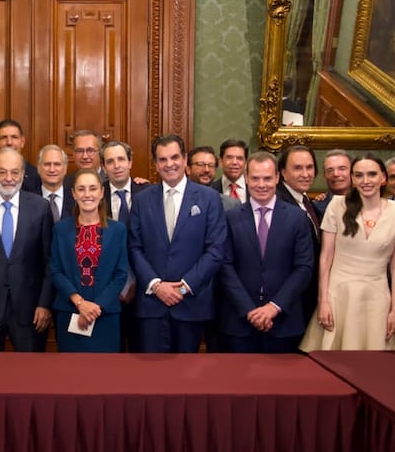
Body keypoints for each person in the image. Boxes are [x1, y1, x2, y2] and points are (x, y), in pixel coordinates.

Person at [300, 155, 395, 351]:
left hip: (377, 295)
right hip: (338, 294)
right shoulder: (337, 205)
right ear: (352, 178)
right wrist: (323, 300)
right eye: (359, 175)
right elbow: (326, 257)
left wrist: (394, 310)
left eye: (372, 174)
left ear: (383, 178)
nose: (366, 181)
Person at [128, 134, 226, 353]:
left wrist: (183, 287)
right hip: (152, 304)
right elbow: (134, 247)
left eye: (174, 157)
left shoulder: (209, 198)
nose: (169, 164)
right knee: (151, 378)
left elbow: (216, 250)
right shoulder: (142, 200)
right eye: (162, 159)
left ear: (184, 159)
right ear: (155, 164)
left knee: (186, 379)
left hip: (191, 304)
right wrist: (156, 285)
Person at [218, 152, 314, 353]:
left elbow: (304, 268)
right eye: (255, 178)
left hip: (284, 321)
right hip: (240, 321)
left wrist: (274, 307)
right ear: (246, 178)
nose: (261, 184)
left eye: (267, 178)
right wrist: (249, 310)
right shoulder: (230, 217)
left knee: (281, 383)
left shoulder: (297, 218)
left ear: (277, 178)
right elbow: (225, 266)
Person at [0, 147, 54, 352]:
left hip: (30, 311)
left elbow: (49, 261)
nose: (8, 178)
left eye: (15, 172)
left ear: (23, 174)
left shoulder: (40, 207)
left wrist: (44, 304)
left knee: (30, 376)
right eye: (2, 171)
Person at [50, 169, 128, 352]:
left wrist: (96, 307)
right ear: (74, 193)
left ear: (101, 192)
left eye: (92, 189)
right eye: (81, 189)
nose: (87, 194)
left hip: (105, 314)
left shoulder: (118, 230)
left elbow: (121, 274)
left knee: (105, 374)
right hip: (70, 312)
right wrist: (80, 303)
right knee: (71, 373)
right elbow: (55, 270)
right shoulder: (61, 229)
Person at [101, 140, 150, 351]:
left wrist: (140, 281)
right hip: (107, 288)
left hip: (145, 287)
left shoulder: (149, 193)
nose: (117, 165)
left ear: (130, 162)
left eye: (121, 159)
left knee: (143, 352)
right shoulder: (95, 195)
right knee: (112, 353)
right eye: (110, 161)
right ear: (103, 167)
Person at [275, 145, 323, 325]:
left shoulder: (306, 200)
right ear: (283, 173)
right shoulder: (279, 203)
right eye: (297, 168)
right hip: (288, 299)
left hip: (306, 295)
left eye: (309, 167)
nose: (305, 173)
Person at [189, 145, 241, 212]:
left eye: (211, 165)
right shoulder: (178, 200)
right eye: (200, 164)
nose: (207, 170)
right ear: (188, 169)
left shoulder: (230, 205)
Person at [38, 144, 74, 223]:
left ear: (65, 168)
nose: (52, 169)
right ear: (38, 168)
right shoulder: (28, 200)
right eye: (47, 164)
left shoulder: (76, 199)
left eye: (57, 164)